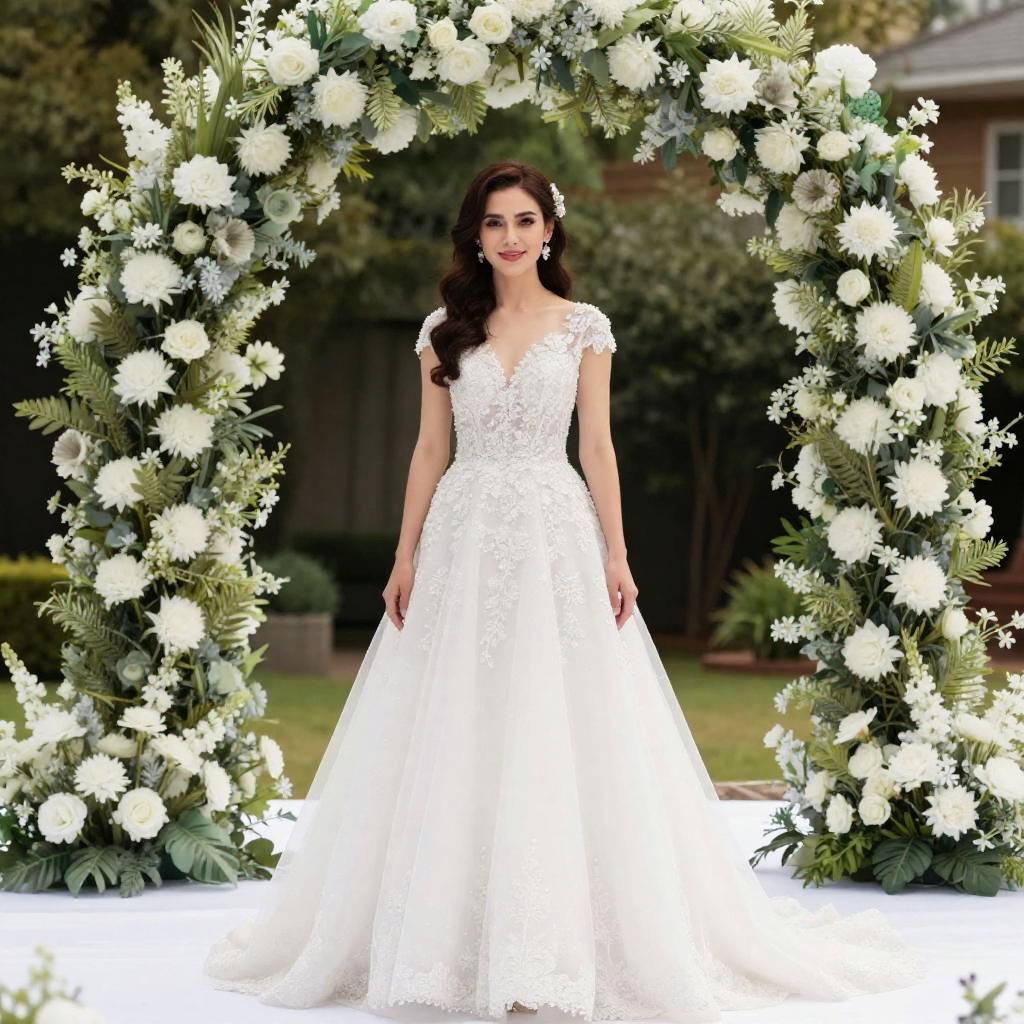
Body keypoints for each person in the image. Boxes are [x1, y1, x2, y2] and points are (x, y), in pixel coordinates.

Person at [202, 160, 928, 1021]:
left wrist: (617, 555)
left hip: (553, 530)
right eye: (494, 223)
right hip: (465, 531)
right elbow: (429, 452)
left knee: (557, 716)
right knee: (457, 718)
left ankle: (553, 940)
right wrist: (404, 555)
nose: (509, 237)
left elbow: (599, 450)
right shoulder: (444, 330)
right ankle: (444, 933)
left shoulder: (584, 327)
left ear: (550, 231)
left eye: (524, 221)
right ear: (475, 235)